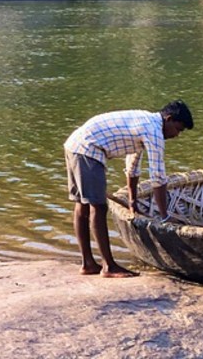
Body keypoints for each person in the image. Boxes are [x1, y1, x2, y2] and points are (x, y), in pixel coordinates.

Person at [63, 100, 194, 277]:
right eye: (178, 129)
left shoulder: (145, 122)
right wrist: (165, 217)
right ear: (169, 119)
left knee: (82, 205)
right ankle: (108, 266)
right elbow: (158, 177)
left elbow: (132, 167)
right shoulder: (154, 130)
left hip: (75, 145)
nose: (176, 135)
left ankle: (88, 264)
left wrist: (132, 202)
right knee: (98, 207)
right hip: (88, 149)